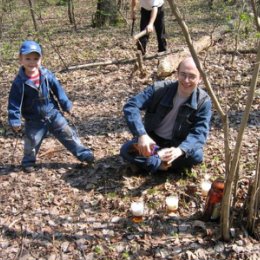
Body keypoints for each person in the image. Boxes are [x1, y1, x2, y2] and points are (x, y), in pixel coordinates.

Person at [8, 40, 94, 173]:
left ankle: (84, 154)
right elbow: (14, 103)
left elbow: (59, 91)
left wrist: (67, 106)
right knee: (32, 141)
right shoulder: (19, 82)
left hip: (53, 114)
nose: (32, 62)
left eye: (36, 58)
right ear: (21, 59)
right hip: (34, 119)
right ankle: (28, 162)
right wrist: (14, 120)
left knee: (68, 134)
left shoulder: (47, 75)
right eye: (28, 58)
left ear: (41, 59)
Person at [120, 57, 212, 174]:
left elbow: (200, 132)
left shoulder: (203, 102)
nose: (186, 80)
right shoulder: (159, 89)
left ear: (200, 78)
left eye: (192, 76)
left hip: (177, 145)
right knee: (126, 150)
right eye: (183, 74)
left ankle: (151, 163)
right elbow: (131, 106)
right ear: (177, 73)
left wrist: (180, 150)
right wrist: (141, 135)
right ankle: (161, 164)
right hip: (153, 141)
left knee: (197, 156)